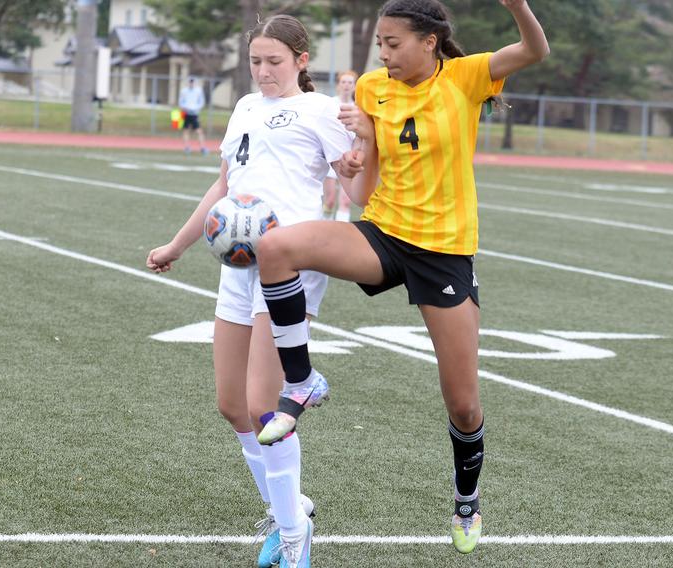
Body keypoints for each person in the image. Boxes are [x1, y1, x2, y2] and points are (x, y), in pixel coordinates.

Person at [254, 0, 549, 554]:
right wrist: (356, 155)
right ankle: (301, 382)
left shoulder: (465, 77)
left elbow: (535, 50)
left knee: (463, 404)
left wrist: (517, 6)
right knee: (275, 247)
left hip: (443, 254)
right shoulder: (370, 88)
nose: (383, 53)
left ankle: (466, 500)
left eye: (393, 43)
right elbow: (363, 191)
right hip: (383, 234)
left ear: (430, 41)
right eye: (380, 44)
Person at [146, 15, 355, 568]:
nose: (263, 72)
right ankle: (293, 510)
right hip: (235, 264)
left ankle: (293, 538)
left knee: (266, 409)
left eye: (275, 62)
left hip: (289, 265)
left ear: (301, 60)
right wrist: (177, 245)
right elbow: (223, 186)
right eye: (256, 61)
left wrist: (366, 150)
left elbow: (354, 182)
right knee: (231, 405)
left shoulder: (323, 110)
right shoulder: (243, 107)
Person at [322, 70, 358, 222]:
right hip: (331, 157)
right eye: (343, 82)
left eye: (350, 82)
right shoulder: (330, 104)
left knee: (345, 201)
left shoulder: (358, 107)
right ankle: (324, 231)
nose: (346, 85)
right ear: (338, 85)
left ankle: (340, 239)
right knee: (329, 201)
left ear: (355, 86)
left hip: (349, 157)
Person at [179, 77, 208, 155]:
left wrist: (196, 108)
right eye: (190, 82)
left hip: (194, 114)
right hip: (186, 113)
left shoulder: (198, 91)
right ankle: (187, 147)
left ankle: (202, 148)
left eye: (192, 82)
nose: (191, 83)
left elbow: (201, 101)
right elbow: (181, 101)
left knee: (199, 131)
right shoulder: (184, 91)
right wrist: (184, 107)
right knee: (186, 131)